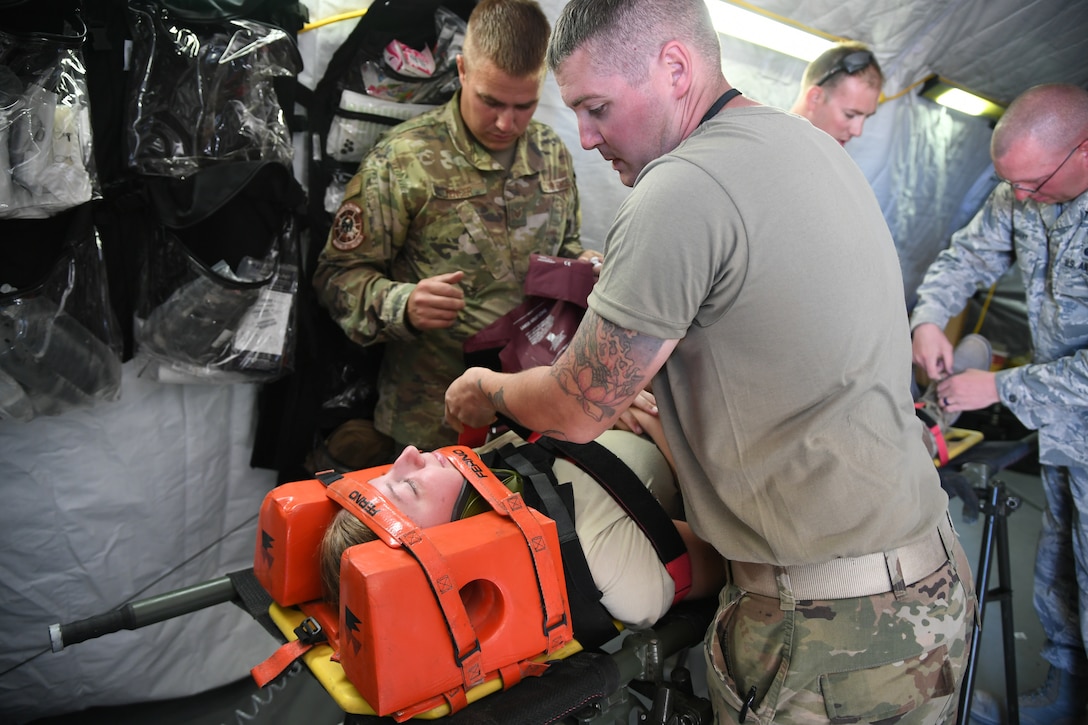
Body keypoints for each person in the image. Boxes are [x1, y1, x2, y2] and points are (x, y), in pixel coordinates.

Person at [444, 0, 974, 722]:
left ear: (674, 67)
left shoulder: (682, 187)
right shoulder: (812, 148)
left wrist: (489, 387)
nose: (589, 137)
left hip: (825, 630)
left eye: (597, 108)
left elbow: (575, 405)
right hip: (928, 582)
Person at [312, 0, 600, 452]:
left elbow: (565, 248)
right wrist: (402, 303)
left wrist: (584, 266)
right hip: (431, 423)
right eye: (491, 101)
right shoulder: (403, 161)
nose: (507, 123)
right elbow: (335, 278)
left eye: (524, 105)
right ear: (463, 70)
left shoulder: (550, 153)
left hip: (528, 414)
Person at [910, 83, 1088, 725]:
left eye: (1033, 184)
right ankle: (1068, 696)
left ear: (1082, 151)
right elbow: (969, 253)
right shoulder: (1027, 191)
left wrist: (1001, 388)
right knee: (1061, 566)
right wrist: (929, 317)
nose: (1020, 199)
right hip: (1066, 433)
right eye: (1010, 184)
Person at [319, 407, 726, 631]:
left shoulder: (488, 474)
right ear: (446, 545)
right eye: (408, 488)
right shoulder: (608, 567)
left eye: (388, 472)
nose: (408, 453)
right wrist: (658, 416)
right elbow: (736, 550)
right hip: (708, 434)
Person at [788, 41, 883, 146]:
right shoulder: (769, 147)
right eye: (850, 115)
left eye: (866, 117)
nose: (857, 131)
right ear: (815, 98)